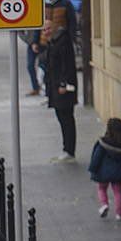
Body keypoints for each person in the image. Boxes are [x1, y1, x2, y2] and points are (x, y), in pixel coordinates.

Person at [89, 117, 121, 221]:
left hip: (104, 172)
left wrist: (93, 168)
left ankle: (104, 204)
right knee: (118, 192)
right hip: (118, 172)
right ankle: (119, 214)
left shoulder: (103, 143)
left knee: (102, 188)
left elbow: (97, 157)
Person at [43, 23, 78, 163]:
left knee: (66, 118)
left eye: (48, 29)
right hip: (55, 86)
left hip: (63, 88)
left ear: (54, 28)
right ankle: (67, 149)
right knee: (62, 117)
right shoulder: (52, 42)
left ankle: (69, 150)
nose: (46, 32)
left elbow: (67, 64)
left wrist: (64, 83)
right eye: (44, 29)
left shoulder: (62, 41)